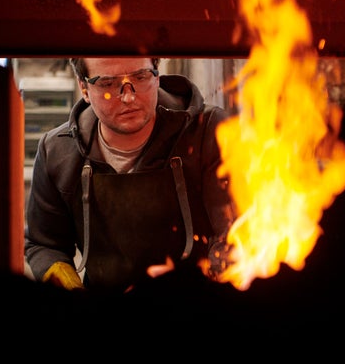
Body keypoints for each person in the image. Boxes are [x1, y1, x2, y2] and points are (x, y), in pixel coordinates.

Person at [24, 56, 235, 295]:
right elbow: (44, 243)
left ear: (157, 75)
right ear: (84, 87)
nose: (128, 96)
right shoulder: (58, 153)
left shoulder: (208, 133)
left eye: (140, 77)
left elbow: (235, 233)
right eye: (108, 84)